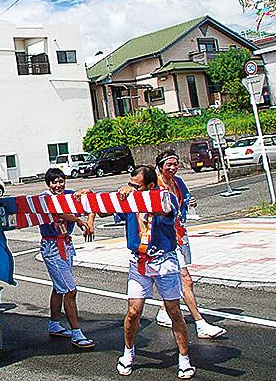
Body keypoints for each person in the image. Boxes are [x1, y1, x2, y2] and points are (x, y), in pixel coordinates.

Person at [115, 166, 194, 379]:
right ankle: (128, 352)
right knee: (133, 311)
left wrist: (139, 200)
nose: (131, 189)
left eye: (136, 186)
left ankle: (184, 358)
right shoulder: (129, 200)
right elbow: (106, 209)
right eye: (130, 184)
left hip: (164, 261)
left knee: (174, 311)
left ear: (151, 186)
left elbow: (166, 211)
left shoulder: (166, 199)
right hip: (138, 262)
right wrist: (84, 196)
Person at [153, 150, 227, 339]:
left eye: (175, 164)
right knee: (186, 279)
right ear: (160, 166)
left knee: (176, 278)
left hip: (180, 233)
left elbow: (185, 199)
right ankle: (200, 323)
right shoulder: (154, 184)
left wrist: (189, 202)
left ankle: (163, 312)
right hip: (166, 239)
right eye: (168, 164)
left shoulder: (178, 182)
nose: (172, 168)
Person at [39, 168, 95, 348]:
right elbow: (56, 211)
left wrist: (90, 221)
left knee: (59, 287)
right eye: (54, 182)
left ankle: (54, 324)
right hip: (52, 246)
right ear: (48, 184)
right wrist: (79, 221)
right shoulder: (44, 198)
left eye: (61, 181)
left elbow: (90, 198)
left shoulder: (69, 195)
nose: (58, 185)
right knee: (70, 291)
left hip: (66, 245)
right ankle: (76, 333)